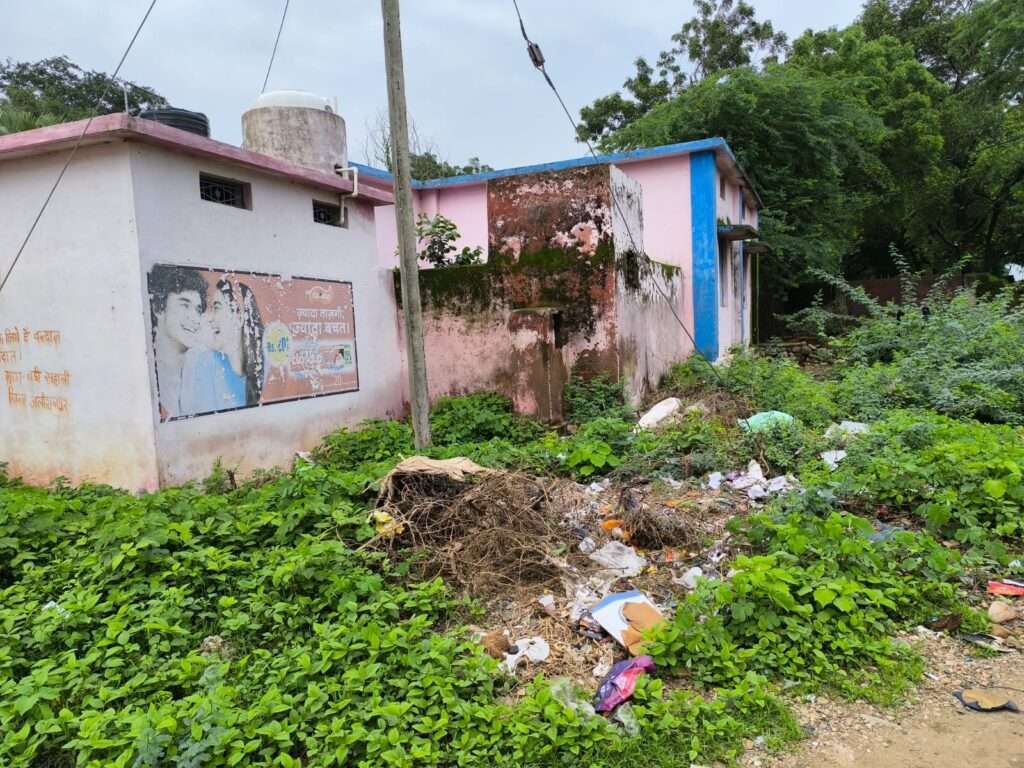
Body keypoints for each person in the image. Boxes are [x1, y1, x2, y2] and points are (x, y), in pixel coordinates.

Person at [148, 265, 209, 419]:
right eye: (184, 305)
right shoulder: (147, 376)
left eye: (198, 309)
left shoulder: (202, 372)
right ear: (158, 308)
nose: (195, 318)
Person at [207, 278, 265, 406]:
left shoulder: (263, 378)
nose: (209, 318)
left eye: (217, 307)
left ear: (239, 316)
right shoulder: (206, 366)